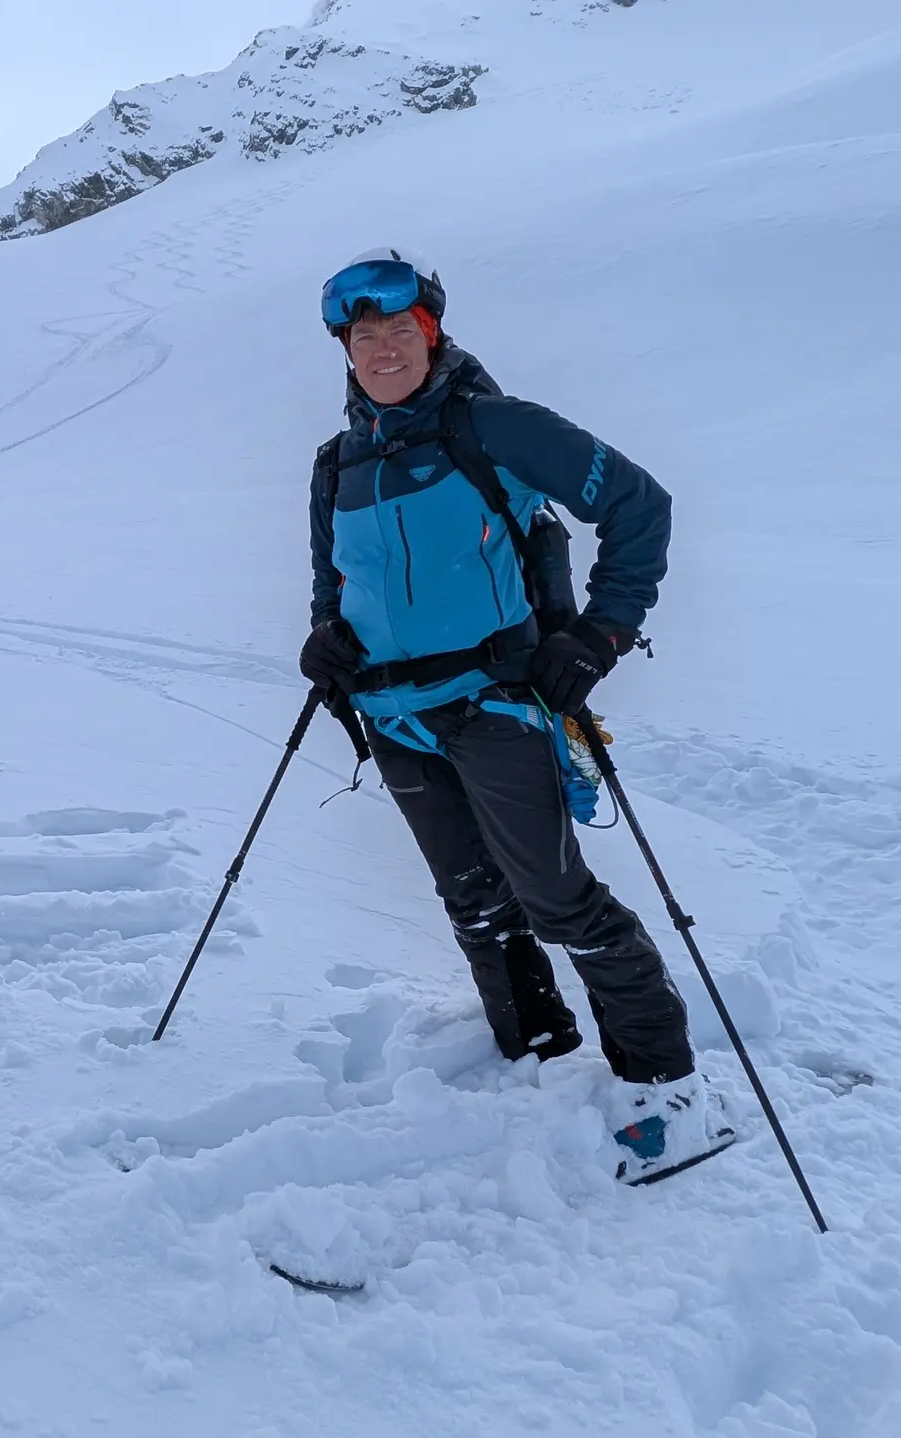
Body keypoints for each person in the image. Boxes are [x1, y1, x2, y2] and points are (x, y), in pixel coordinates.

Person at [297, 247, 725, 1181]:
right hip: (394, 719)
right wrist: (325, 637)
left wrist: (602, 633)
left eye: (400, 329)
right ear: (345, 349)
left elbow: (639, 505)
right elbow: (335, 581)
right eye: (364, 335)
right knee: (471, 896)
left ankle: (665, 1085)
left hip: (495, 703)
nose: (382, 348)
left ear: (431, 333)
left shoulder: (491, 426)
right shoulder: (337, 464)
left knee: (557, 898)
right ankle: (534, 1044)